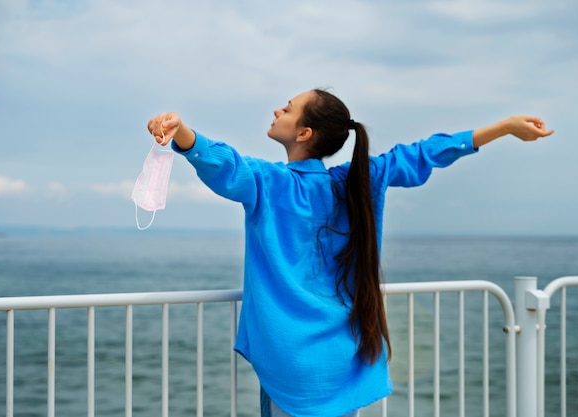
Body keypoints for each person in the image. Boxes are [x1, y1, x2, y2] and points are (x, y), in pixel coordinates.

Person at [146, 89, 554, 417]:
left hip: (293, 359)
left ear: (304, 133)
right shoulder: (359, 181)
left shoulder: (270, 183)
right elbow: (422, 154)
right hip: (345, 352)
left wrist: (182, 132)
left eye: (288, 108)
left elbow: (224, 164)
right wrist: (502, 128)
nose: (277, 109)